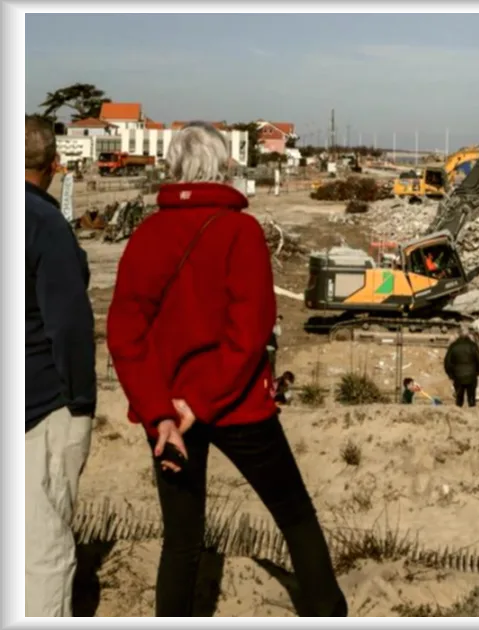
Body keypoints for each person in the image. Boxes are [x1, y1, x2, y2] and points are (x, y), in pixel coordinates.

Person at [105, 122, 346, 618]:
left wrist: (160, 413)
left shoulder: (147, 234)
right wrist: (200, 402)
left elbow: (126, 334)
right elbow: (249, 332)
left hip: (169, 414)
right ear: (223, 167)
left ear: (173, 167)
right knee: (294, 515)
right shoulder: (240, 230)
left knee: (181, 540)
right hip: (236, 403)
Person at [25, 115, 97, 618]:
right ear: (53, 165)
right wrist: (80, 400)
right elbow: (68, 324)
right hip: (40, 407)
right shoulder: (45, 224)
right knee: (44, 552)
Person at [444, 327, 479, 408]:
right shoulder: (473, 346)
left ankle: (459, 412)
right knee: (472, 399)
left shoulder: (453, 346)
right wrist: (477, 372)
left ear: (459, 335)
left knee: (459, 399)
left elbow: (447, 362)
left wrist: (451, 375)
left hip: (458, 376)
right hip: (471, 375)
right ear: (468, 335)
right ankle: (472, 412)